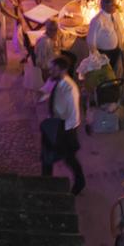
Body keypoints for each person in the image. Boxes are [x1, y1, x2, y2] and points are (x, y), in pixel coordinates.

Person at [41, 55, 85, 195]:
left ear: (62, 70)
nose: (50, 72)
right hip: (55, 124)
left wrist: (61, 131)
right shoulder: (54, 80)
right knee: (48, 157)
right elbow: (45, 91)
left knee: (69, 157)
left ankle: (80, 181)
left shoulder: (69, 89)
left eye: (54, 69)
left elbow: (72, 114)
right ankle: (46, 183)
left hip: (65, 128)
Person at [87, 0, 123, 72]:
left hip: (116, 49)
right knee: (105, 71)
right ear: (105, 7)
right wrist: (96, 57)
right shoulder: (97, 20)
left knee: (112, 67)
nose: (116, 7)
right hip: (104, 53)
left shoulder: (115, 14)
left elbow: (118, 27)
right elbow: (91, 39)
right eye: (113, 5)